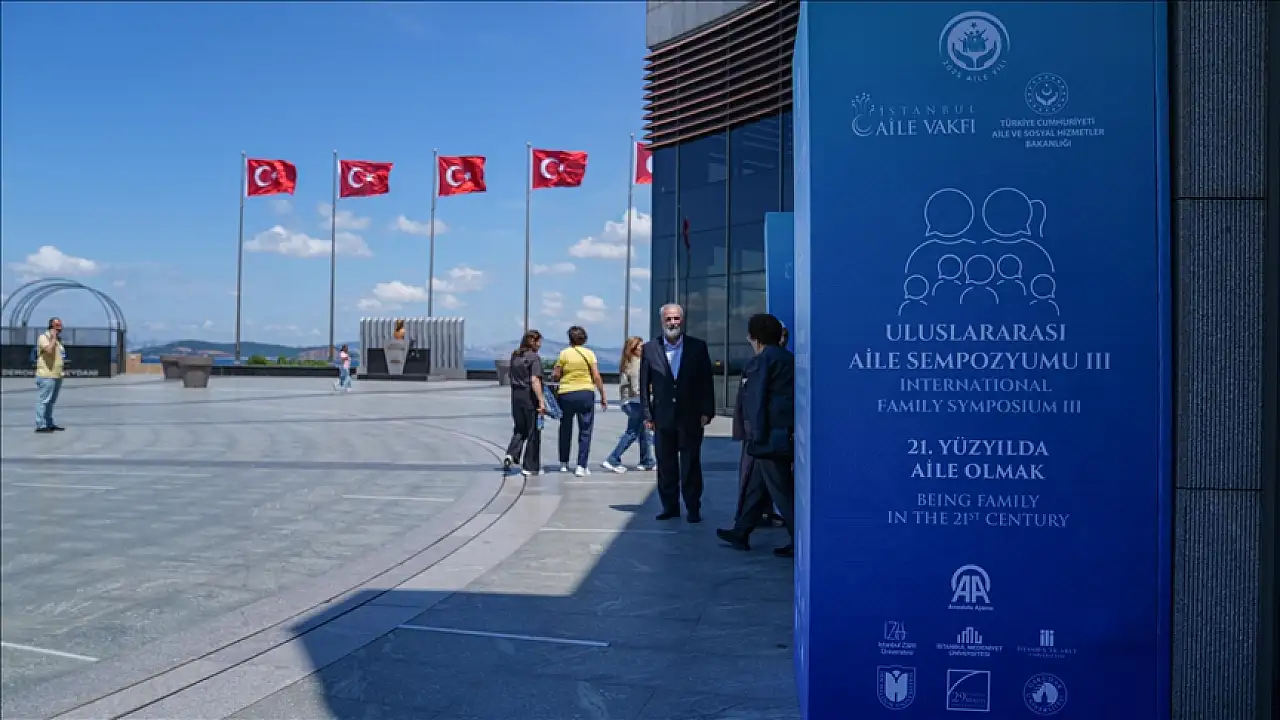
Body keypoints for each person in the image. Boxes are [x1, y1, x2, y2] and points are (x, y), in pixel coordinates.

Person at [717, 313, 796, 557]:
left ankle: (800, 539)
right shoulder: (788, 358)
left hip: (768, 437)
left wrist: (757, 435)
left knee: (782, 491)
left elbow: (757, 400)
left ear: (756, 337)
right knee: (756, 485)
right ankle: (741, 531)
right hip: (781, 433)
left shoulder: (761, 361)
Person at [639, 303, 715, 523]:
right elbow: (644, 386)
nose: (673, 323)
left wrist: (707, 411)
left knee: (691, 463)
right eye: (669, 319)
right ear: (662, 321)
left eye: (676, 318)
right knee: (665, 464)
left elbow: (706, 381)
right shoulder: (650, 349)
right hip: (662, 417)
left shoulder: (697, 347)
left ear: (682, 320)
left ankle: (693, 507)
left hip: (690, 416)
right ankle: (669, 506)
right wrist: (647, 415)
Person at [552, 325, 608, 476]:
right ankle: (581, 466)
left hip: (566, 394)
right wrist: (603, 394)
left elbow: (556, 374)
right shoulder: (589, 354)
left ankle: (563, 463)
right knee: (585, 430)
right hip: (585, 393)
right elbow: (596, 376)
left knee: (565, 428)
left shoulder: (564, 353)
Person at [602, 336, 656, 473]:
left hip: (630, 402)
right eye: (640, 346)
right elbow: (637, 388)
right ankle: (613, 459)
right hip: (636, 402)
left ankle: (647, 461)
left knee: (644, 432)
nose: (643, 349)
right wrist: (652, 390)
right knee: (632, 433)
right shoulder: (636, 364)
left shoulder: (628, 362)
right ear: (633, 349)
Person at [504, 329, 548, 476]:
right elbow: (534, 380)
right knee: (533, 431)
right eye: (539, 342)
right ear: (533, 342)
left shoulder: (515, 356)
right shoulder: (534, 358)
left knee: (519, 428)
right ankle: (530, 466)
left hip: (516, 395)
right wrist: (541, 401)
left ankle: (511, 454)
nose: (540, 345)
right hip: (529, 396)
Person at [34, 317, 66, 433]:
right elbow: (48, 350)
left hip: (57, 375)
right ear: (51, 327)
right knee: (43, 401)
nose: (59, 328)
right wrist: (53, 337)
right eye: (57, 326)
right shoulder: (44, 337)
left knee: (51, 401)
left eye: (60, 325)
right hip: (46, 375)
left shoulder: (58, 340)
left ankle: (49, 423)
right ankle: (40, 424)